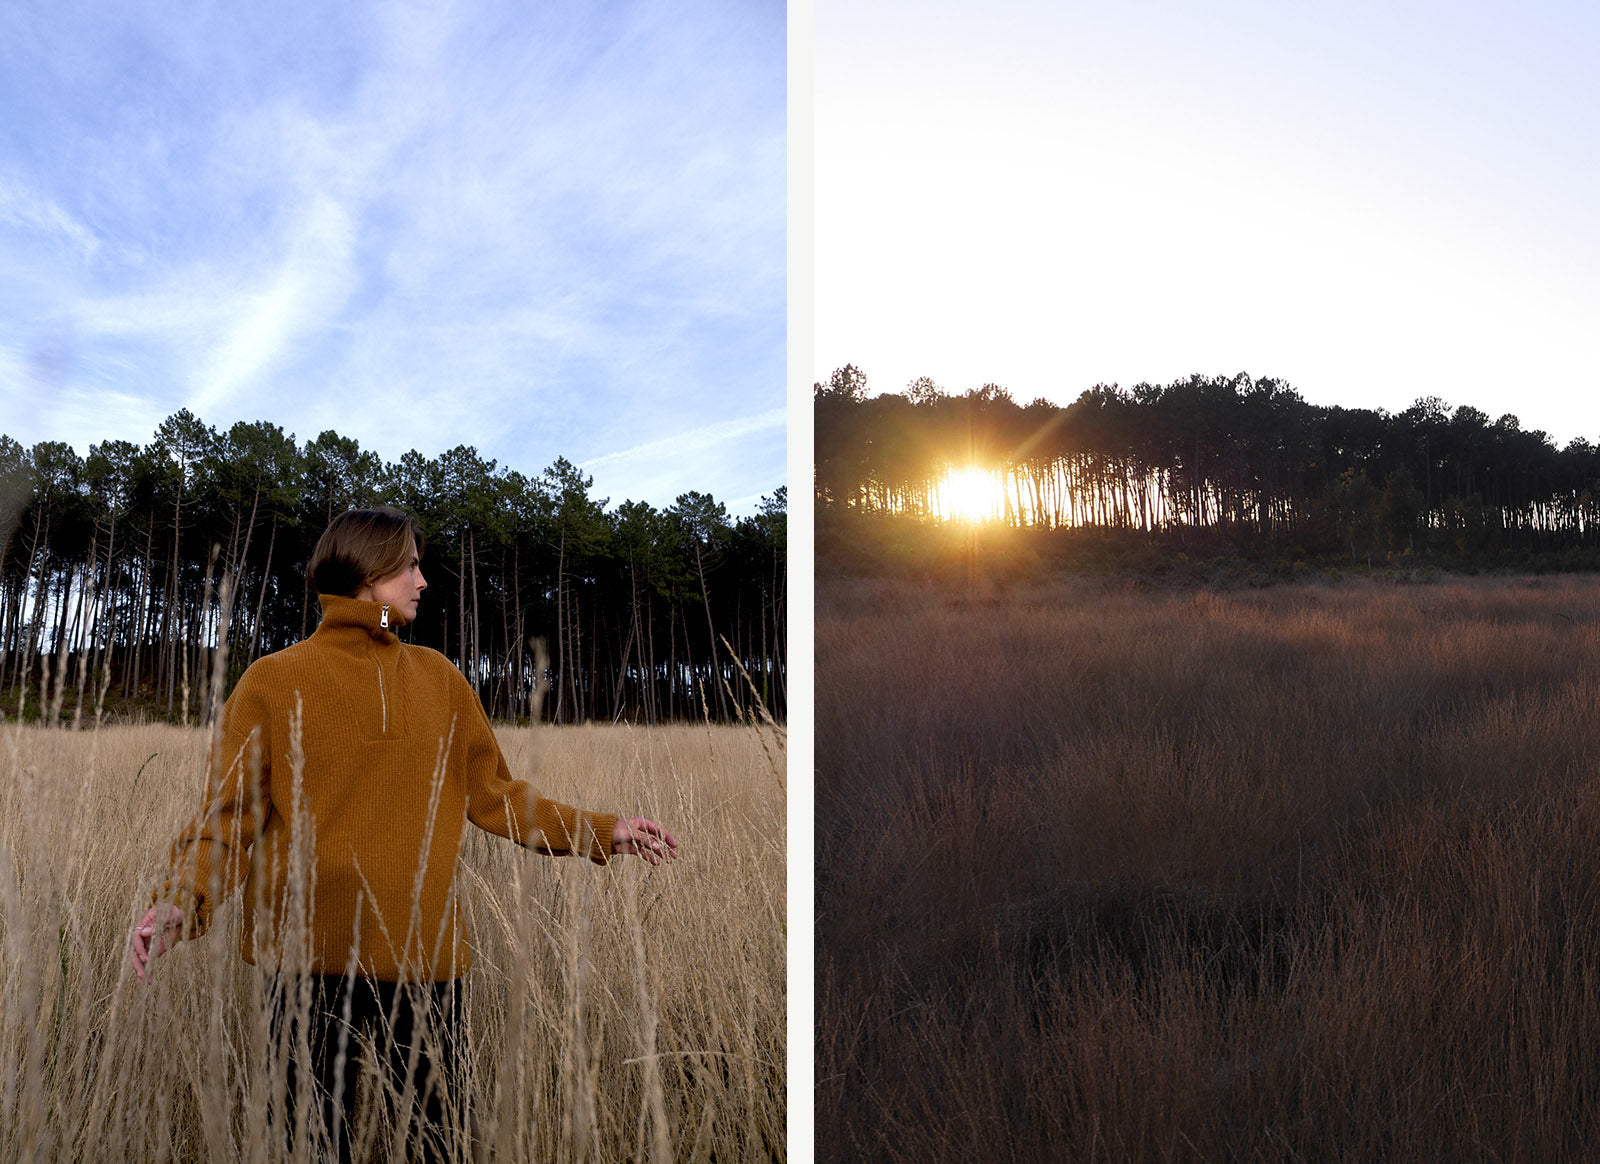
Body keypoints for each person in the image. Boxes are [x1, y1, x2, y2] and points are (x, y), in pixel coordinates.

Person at [128, 506, 676, 1163]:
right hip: (304, 964)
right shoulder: (270, 682)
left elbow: (497, 797)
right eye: (411, 565)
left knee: (438, 1142)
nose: (423, 580)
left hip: (424, 963)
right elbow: (227, 818)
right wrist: (179, 902)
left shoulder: (440, 681)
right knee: (307, 1142)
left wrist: (602, 831)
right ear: (368, 571)